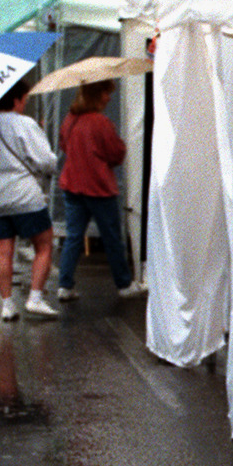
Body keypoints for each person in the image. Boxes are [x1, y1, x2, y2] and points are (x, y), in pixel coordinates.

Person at [0, 78, 58, 321]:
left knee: (2, 251)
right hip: (24, 197)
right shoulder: (26, 124)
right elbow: (45, 161)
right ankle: (35, 298)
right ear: (17, 99)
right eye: (25, 99)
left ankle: (7, 305)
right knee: (43, 244)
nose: (25, 103)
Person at [54, 79, 143, 302]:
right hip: (99, 187)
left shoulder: (70, 120)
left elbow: (64, 145)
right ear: (97, 94)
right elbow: (116, 153)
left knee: (74, 236)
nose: (109, 97)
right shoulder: (101, 122)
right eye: (106, 92)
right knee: (112, 237)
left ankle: (64, 285)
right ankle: (124, 284)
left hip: (72, 184)